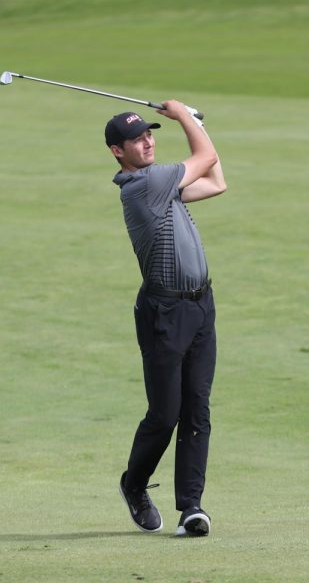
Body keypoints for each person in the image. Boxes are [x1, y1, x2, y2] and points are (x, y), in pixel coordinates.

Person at [105, 101, 227, 537]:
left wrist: (195, 127)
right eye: (137, 139)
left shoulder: (164, 185)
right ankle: (133, 484)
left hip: (199, 307)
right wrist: (185, 117)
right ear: (118, 151)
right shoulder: (142, 186)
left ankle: (191, 507)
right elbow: (206, 159)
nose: (148, 141)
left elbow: (216, 181)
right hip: (165, 312)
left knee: (198, 409)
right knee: (165, 414)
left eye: (151, 133)